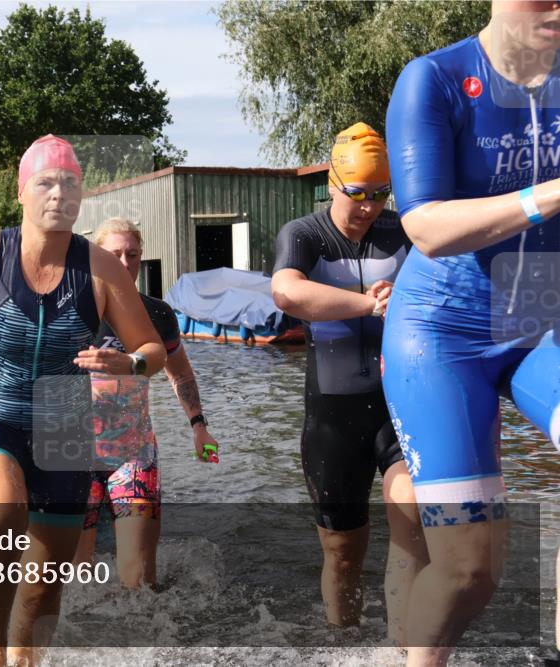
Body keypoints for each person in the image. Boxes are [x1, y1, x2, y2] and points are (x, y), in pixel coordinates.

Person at [0, 134, 166, 666]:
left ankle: (22, 661)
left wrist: (130, 364)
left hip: (63, 422)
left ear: (81, 195)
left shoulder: (101, 269)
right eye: (45, 182)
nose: (57, 194)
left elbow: (151, 348)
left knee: (44, 584)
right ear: (22, 192)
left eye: (69, 183)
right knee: (0, 513)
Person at [384, 3, 560, 663]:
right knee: (469, 571)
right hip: (443, 331)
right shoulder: (436, 79)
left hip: (542, 316)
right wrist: (551, 194)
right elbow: (426, 225)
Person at [271, 124, 424, 641]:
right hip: (332, 421)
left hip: (393, 409)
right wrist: (368, 304)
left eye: (380, 194)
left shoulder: (402, 231)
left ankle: (405, 645)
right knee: (343, 554)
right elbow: (286, 293)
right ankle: (346, 642)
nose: (369, 206)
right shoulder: (304, 234)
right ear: (333, 183)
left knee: (413, 519)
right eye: (358, 193)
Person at [72, 217, 221, 589]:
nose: (124, 264)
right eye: (114, 254)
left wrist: (199, 426)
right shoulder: (68, 312)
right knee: (73, 582)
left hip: (132, 451)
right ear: (95, 258)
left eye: (132, 255)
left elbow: (181, 374)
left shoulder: (157, 315)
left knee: (137, 582)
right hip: (69, 453)